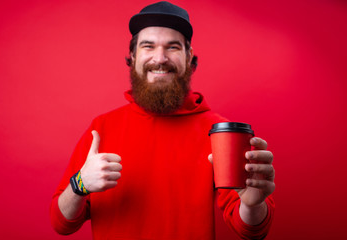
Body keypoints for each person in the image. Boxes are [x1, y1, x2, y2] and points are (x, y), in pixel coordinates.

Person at [50, 1, 275, 239]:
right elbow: (61, 223)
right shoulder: (102, 128)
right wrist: (80, 184)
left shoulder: (219, 132)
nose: (160, 58)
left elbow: (251, 231)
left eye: (173, 47)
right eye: (148, 46)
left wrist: (251, 204)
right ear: (133, 57)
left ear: (189, 58)